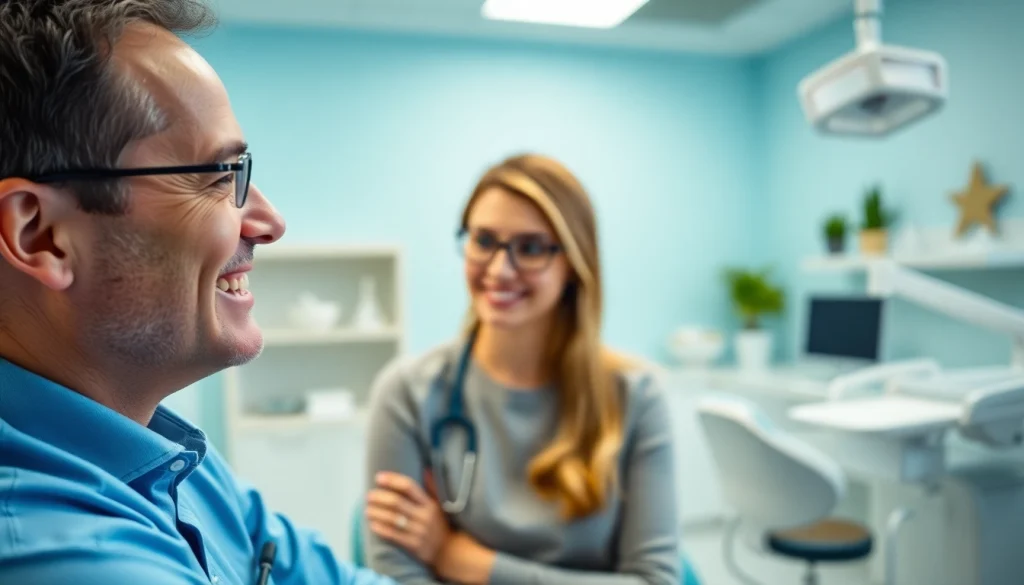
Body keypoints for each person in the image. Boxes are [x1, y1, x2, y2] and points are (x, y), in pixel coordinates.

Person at [0, 2, 395, 584]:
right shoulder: (57, 549)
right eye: (216, 177)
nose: (269, 221)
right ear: (43, 234)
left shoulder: (164, 453)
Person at [361, 153, 682, 585]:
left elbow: (656, 580)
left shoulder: (637, 397)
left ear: (573, 263)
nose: (499, 269)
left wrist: (467, 562)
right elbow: (396, 575)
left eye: (530, 248)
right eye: (484, 240)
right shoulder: (408, 393)